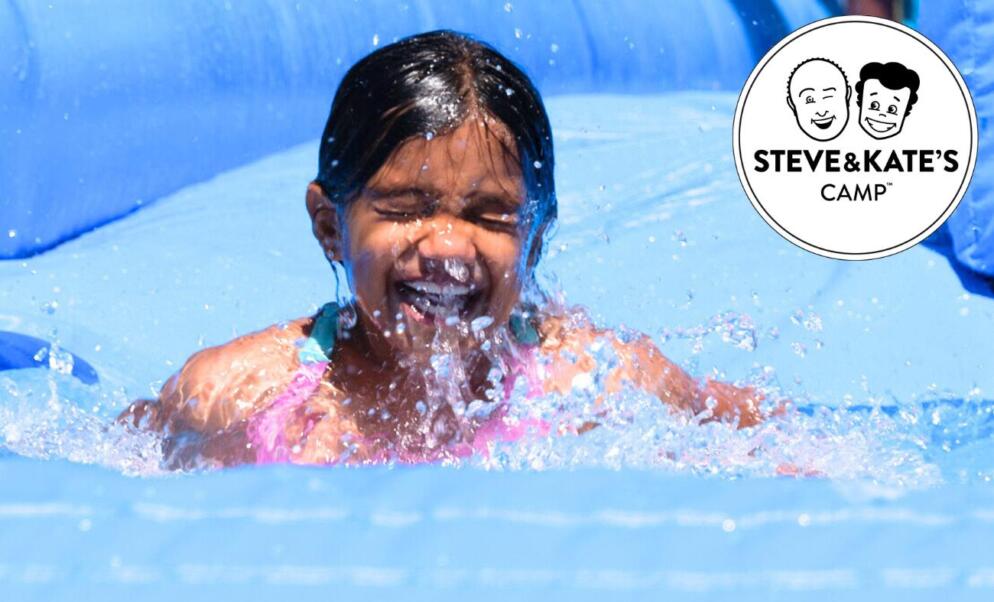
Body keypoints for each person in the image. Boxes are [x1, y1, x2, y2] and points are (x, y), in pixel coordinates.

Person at [119, 30, 782, 468]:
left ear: (535, 240)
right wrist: (247, 461)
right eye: (405, 209)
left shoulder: (596, 381)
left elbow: (755, 428)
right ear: (330, 226)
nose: (446, 247)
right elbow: (128, 462)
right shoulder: (243, 391)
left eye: (491, 216)